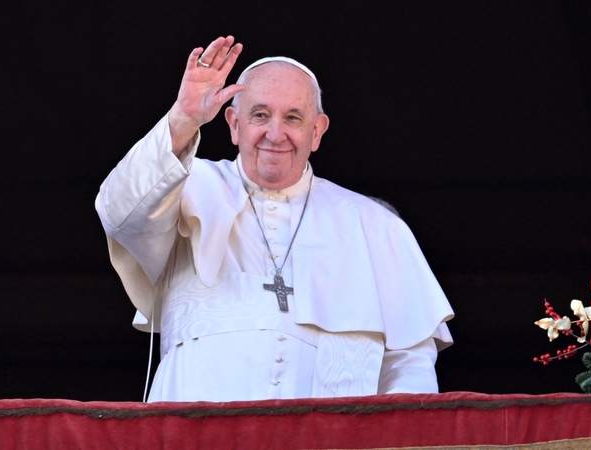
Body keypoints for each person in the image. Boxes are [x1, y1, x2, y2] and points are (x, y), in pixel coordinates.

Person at [95, 36, 454, 402]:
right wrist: (183, 120)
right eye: (260, 115)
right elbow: (120, 212)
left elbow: (410, 368)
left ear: (317, 132)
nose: (275, 133)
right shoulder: (185, 186)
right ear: (234, 124)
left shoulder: (375, 226)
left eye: (293, 118)